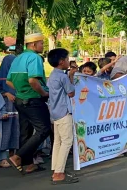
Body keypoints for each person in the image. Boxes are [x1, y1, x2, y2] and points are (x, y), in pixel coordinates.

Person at [6, 33, 51, 175]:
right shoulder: (34, 57)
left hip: (20, 99)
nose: (43, 46)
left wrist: (21, 91)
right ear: (33, 44)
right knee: (44, 129)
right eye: (41, 43)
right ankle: (17, 157)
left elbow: (8, 81)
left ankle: (29, 164)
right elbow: (33, 80)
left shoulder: (17, 58)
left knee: (25, 132)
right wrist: (43, 93)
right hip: (34, 99)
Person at [46, 48, 78, 184]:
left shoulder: (53, 75)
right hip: (64, 112)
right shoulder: (63, 77)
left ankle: (56, 169)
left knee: (58, 142)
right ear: (61, 61)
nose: (68, 61)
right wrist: (71, 76)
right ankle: (59, 173)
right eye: (67, 59)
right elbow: (71, 93)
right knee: (66, 141)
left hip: (55, 112)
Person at [0, 48, 19, 168]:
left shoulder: (16, 76)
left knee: (16, 129)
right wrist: (6, 93)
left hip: (17, 106)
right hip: (5, 106)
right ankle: (2, 157)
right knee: (6, 130)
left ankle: (13, 154)